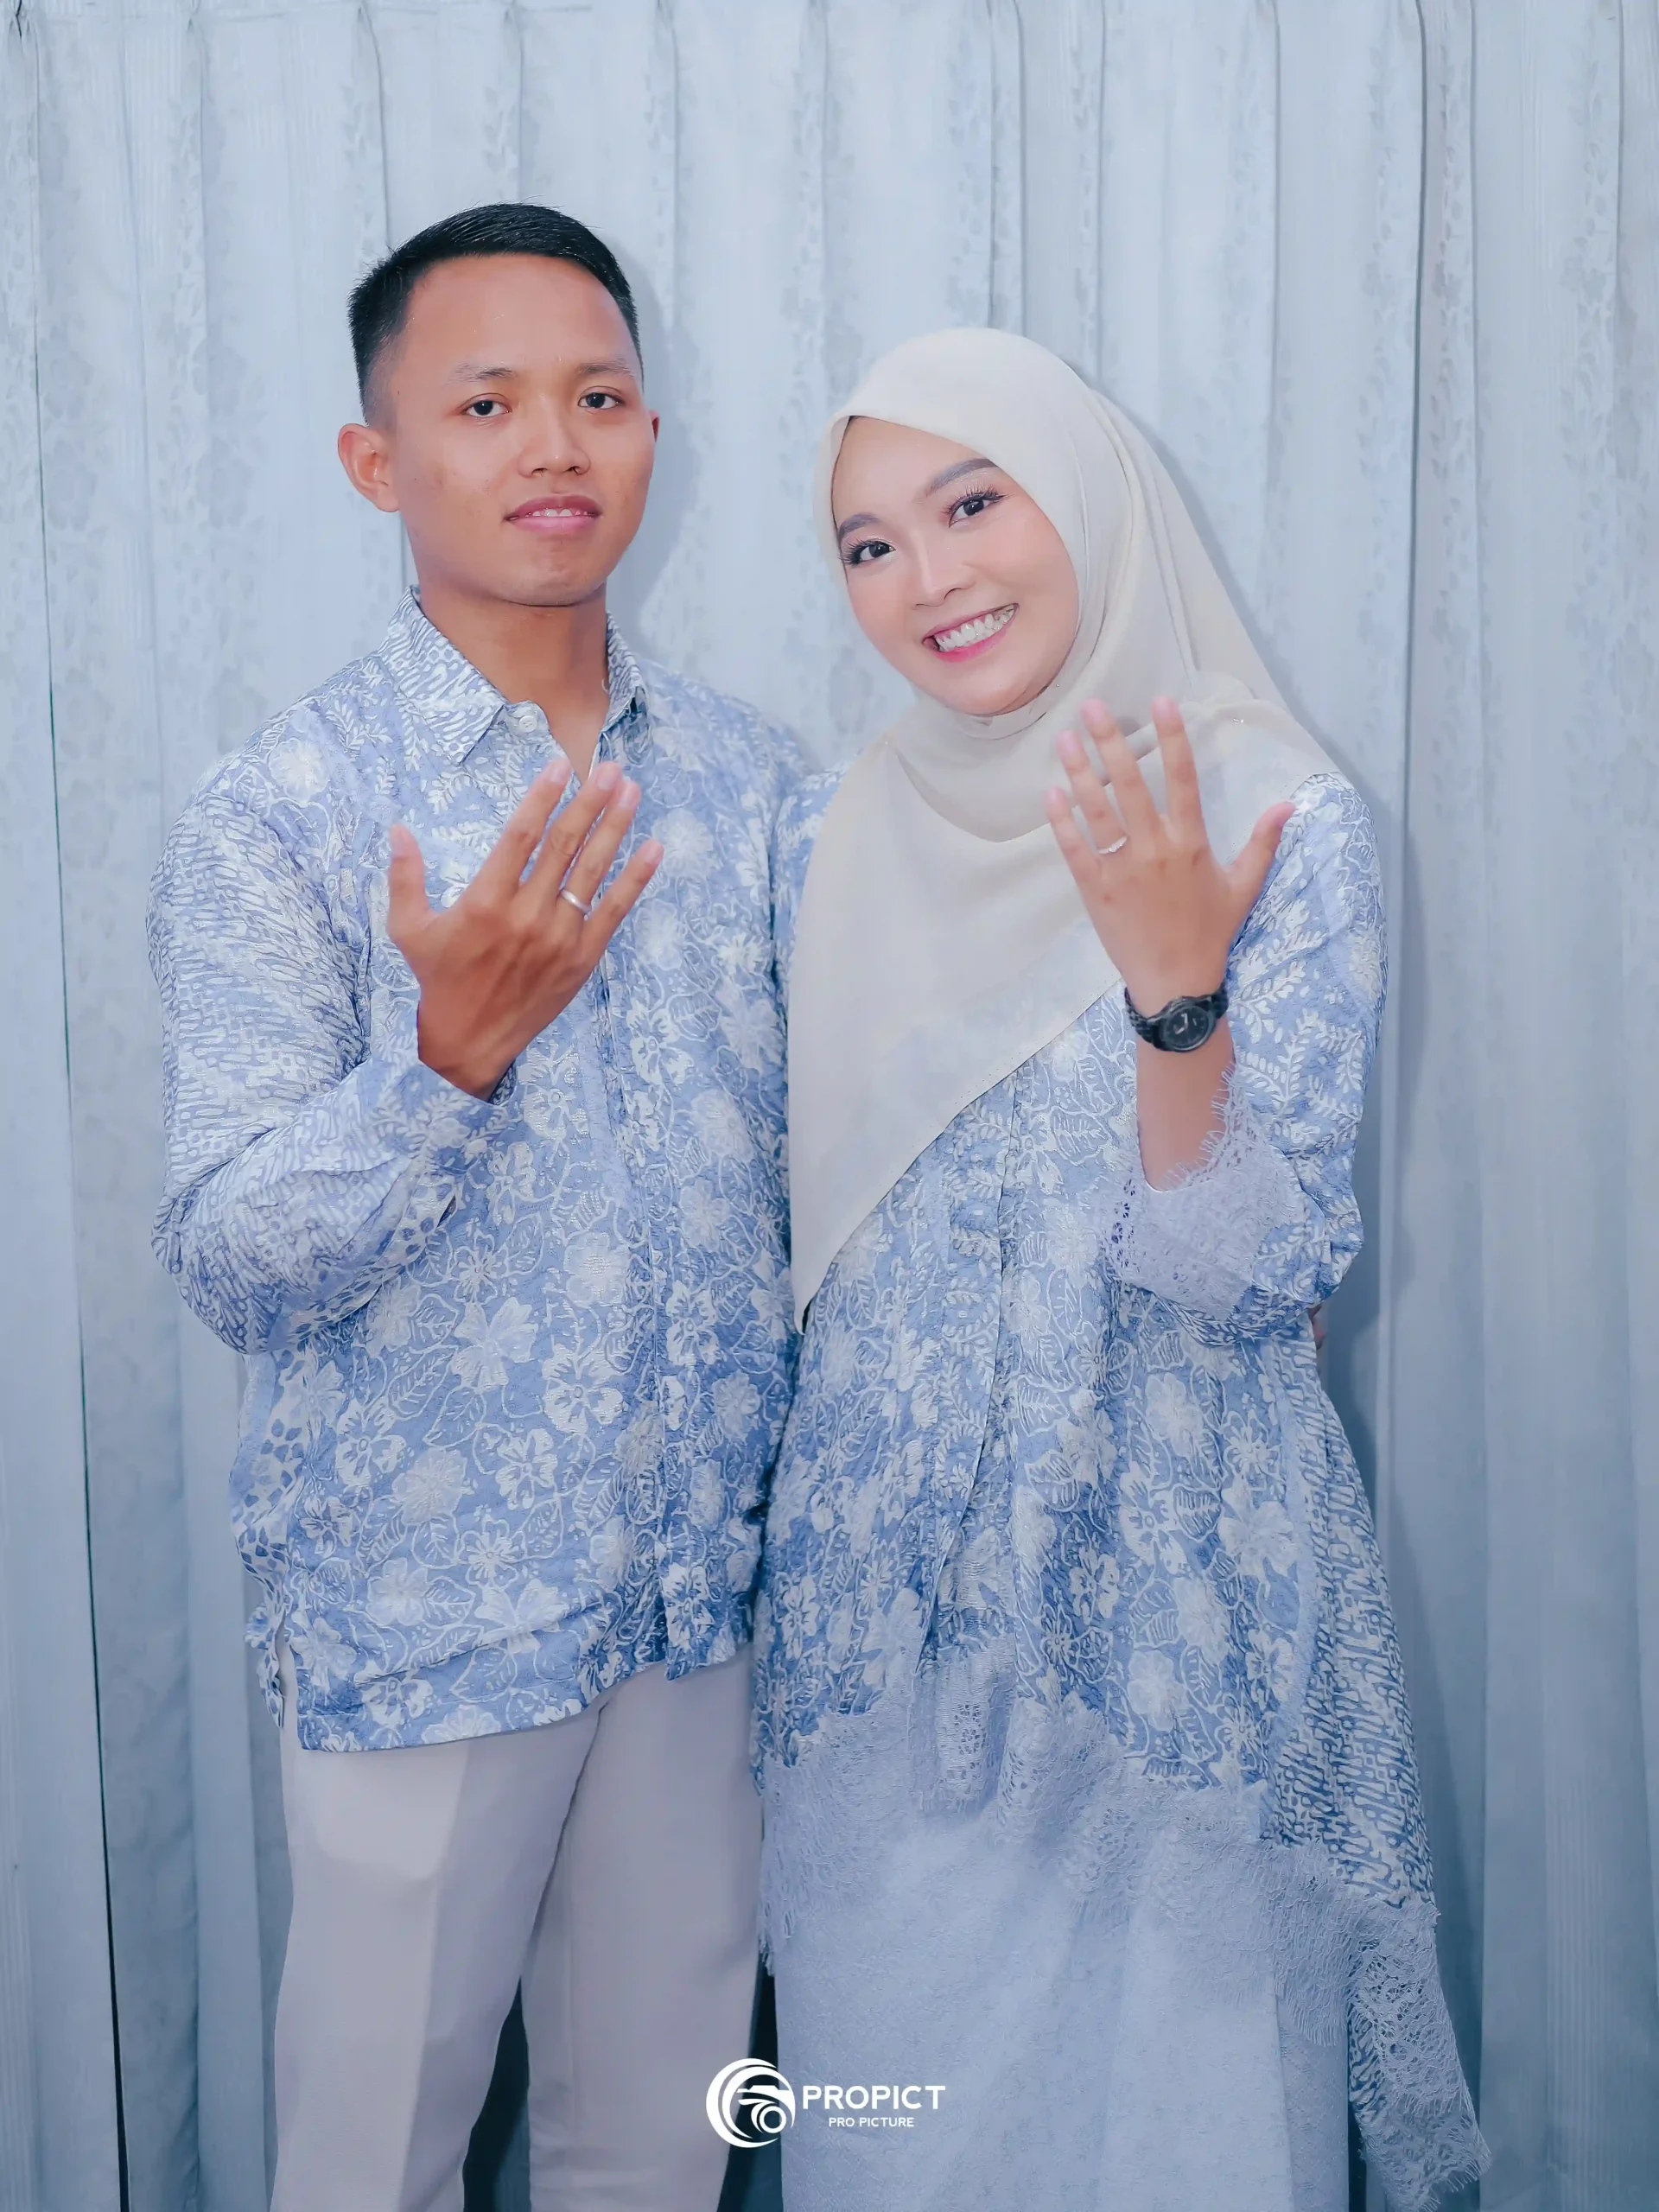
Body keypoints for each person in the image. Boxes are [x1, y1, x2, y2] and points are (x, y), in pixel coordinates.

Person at [753, 327, 1488, 2210]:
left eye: (972, 503)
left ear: (1087, 500)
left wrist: (1177, 998)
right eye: (868, 545)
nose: (930, 578)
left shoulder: (1269, 815)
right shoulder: (830, 838)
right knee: (888, 2141)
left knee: (1185, 2139)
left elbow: (1254, 1278)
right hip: (886, 1644)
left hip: (1179, 1619)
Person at [149, 203, 800, 2212]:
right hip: (425, 1612)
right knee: (371, 2162)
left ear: (655, 436)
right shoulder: (289, 804)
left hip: (699, 1600)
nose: (554, 444)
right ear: (379, 460)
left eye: (598, 396)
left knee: (661, 2150)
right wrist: (442, 1066)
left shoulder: (761, 788)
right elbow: (231, 1252)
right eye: (489, 402)